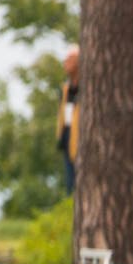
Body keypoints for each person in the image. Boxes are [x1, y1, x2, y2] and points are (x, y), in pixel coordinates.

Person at [55, 46, 81, 196]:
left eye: (69, 59)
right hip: (67, 139)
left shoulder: (87, 88)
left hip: (80, 140)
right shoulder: (65, 89)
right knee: (70, 183)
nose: (65, 63)